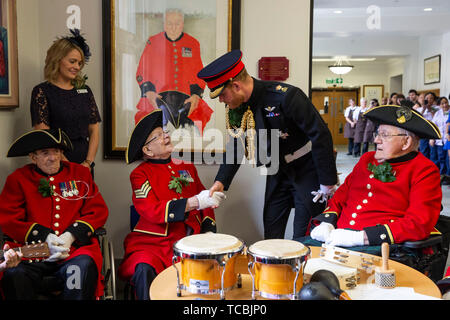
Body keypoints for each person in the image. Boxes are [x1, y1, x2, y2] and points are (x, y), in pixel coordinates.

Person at [197, 50, 338, 239]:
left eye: (222, 94)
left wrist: (327, 182)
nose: (221, 100)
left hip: (307, 169)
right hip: (277, 172)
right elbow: (237, 145)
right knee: (271, 232)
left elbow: (320, 135)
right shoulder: (238, 107)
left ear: (236, 86)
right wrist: (221, 181)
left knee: (304, 236)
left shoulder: (286, 96)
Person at [117, 110, 225, 300]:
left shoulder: (186, 166)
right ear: (147, 151)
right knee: (143, 267)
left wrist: (208, 228)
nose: (166, 135)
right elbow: (150, 209)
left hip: (190, 240)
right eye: (158, 136)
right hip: (153, 245)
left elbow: (204, 201)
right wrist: (194, 202)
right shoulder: (140, 174)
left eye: (164, 132)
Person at [309, 105, 442, 247]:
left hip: (381, 246)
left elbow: (418, 223)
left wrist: (360, 238)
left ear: (406, 142)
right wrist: (327, 222)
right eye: (377, 134)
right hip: (336, 236)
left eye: (384, 135)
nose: (377, 140)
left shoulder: (424, 170)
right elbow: (340, 197)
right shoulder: (367, 158)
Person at [0, 129, 109, 300]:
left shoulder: (80, 174)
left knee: (81, 268)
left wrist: (71, 235)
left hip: (73, 252)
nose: (53, 157)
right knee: (14, 275)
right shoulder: (18, 179)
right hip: (31, 255)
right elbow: (9, 219)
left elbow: (98, 210)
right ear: (33, 157)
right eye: (45, 153)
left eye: (57, 151)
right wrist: (45, 236)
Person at [30, 29, 101, 173]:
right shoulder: (42, 91)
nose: (77, 67)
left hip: (85, 164)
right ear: (57, 59)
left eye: (80, 63)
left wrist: (88, 163)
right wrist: (68, 165)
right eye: (72, 61)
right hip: (55, 162)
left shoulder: (85, 90)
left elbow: (94, 130)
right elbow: (44, 135)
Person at [134, 8, 213, 134]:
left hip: (186, 99)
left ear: (182, 24)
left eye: (177, 23)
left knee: (192, 134)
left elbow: (199, 72)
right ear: (164, 24)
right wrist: (148, 91)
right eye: (170, 23)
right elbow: (142, 71)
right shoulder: (153, 42)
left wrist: (196, 94)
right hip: (158, 98)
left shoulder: (192, 43)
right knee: (152, 133)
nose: (173, 27)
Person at [430, 97, 450, 178]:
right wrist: (432, 138)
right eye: (442, 103)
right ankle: (442, 175)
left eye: (446, 102)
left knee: (448, 159)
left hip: (448, 140)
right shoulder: (438, 113)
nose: (444, 105)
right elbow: (434, 126)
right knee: (441, 158)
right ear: (439, 105)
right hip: (439, 141)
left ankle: (448, 176)